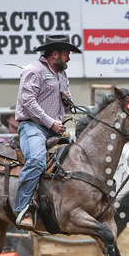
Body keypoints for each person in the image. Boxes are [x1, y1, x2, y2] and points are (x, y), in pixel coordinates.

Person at [14, 34, 80, 228]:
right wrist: (51, 123)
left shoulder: (62, 74)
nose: (69, 57)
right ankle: (23, 208)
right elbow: (27, 101)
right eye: (67, 53)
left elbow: (64, 107)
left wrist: (67, 102)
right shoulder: (34, 71)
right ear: (55, 53)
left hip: (54, 128)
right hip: (33, 126)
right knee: (35, 160)